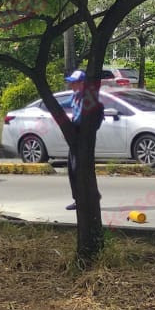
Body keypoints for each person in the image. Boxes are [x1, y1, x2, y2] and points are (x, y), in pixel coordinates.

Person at [63, 70, 103, 211]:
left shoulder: (87, 99)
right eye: (71, 82)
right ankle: (90, 196)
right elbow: (64, 104)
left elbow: (79, 118)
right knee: (74, 169)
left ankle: (83, 199)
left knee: (78, 169)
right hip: (76, 138)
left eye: (74, 82)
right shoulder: (76, 96)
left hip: (83, 139)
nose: (71, 85)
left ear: (83, 83)